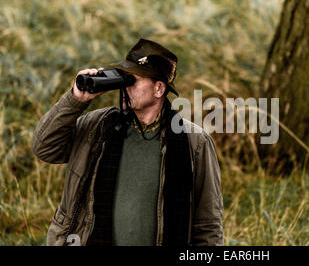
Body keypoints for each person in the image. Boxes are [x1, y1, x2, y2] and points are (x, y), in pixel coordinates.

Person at [32, 38, 224, 246]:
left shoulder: (194, 142)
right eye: (122, 78)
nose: (124, 87)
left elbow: (208, 224)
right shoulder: (100, 128)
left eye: (132, 81)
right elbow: (45, 147)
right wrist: (75, 100)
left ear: (159, 89)